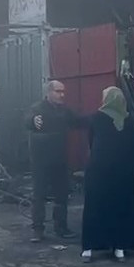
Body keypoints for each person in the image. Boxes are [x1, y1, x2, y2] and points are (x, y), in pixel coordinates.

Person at [80, 86, 134, 263]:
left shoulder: (96, 118)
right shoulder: (129, 120)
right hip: (124, 171)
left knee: (95, 206)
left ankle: (89, 247)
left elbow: (92, 142)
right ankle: (119, 247)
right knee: (121, 207)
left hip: (99, 169)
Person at [24, 80, 87, 243]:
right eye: (58, 91)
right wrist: (33, 121)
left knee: (62, 195)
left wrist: (101, 118)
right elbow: (27, 120)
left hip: (59, 159)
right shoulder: (38, 108)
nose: (62, 95)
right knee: (39, 195)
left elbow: (79, 121)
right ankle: (37, 230)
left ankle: (61, 228)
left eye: (63, 92)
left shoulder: (65, 111)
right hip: (41, 161)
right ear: (49, 93)